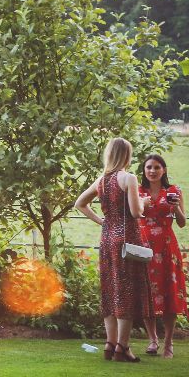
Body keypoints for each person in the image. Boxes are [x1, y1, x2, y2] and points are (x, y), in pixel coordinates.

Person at [75, 138, 149, 363]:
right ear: (127, 155)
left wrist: (103, 222)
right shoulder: (129, 178)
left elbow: (79, 203)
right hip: (127, 238)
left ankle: (110, 343)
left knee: (110, 288)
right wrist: (144, 201)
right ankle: (123, 347)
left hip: (107, 238)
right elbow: (136, 213)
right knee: (126, 290)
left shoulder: (102, 180)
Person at [138, 154, 188, 358]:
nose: (152, 171)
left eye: (157, 167)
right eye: (148, 167)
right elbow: (132, 215)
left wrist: (175, 208)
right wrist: (143, 205)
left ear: (164, 170)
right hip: (143, 246)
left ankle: (168, 342)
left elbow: (183, 223)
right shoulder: (138, 191)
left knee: (170, 293)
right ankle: (152, 340)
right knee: (146, 294)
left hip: (167, 248)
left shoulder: (174, 191)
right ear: (144, 170)